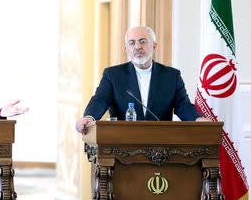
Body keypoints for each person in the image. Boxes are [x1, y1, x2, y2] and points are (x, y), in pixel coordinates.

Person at [76, 26, 208, 134]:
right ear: (126, 49)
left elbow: (183, 105)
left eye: (143, 41)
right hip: (122, 145)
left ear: (154, 46)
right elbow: (100, 100)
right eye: (132, 43)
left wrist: (198, 119)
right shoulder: (113, 75)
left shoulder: (171, 76)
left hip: (161, 147)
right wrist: (89, 117)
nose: (137, 46)